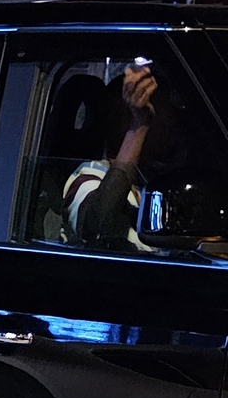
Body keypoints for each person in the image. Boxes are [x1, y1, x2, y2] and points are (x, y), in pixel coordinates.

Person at [64, 54, 177, 251]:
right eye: (162, 111)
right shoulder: (90, 175)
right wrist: (139, 126)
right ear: (123, 120)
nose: (172, 123)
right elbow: (98, 229)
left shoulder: (152, 179)